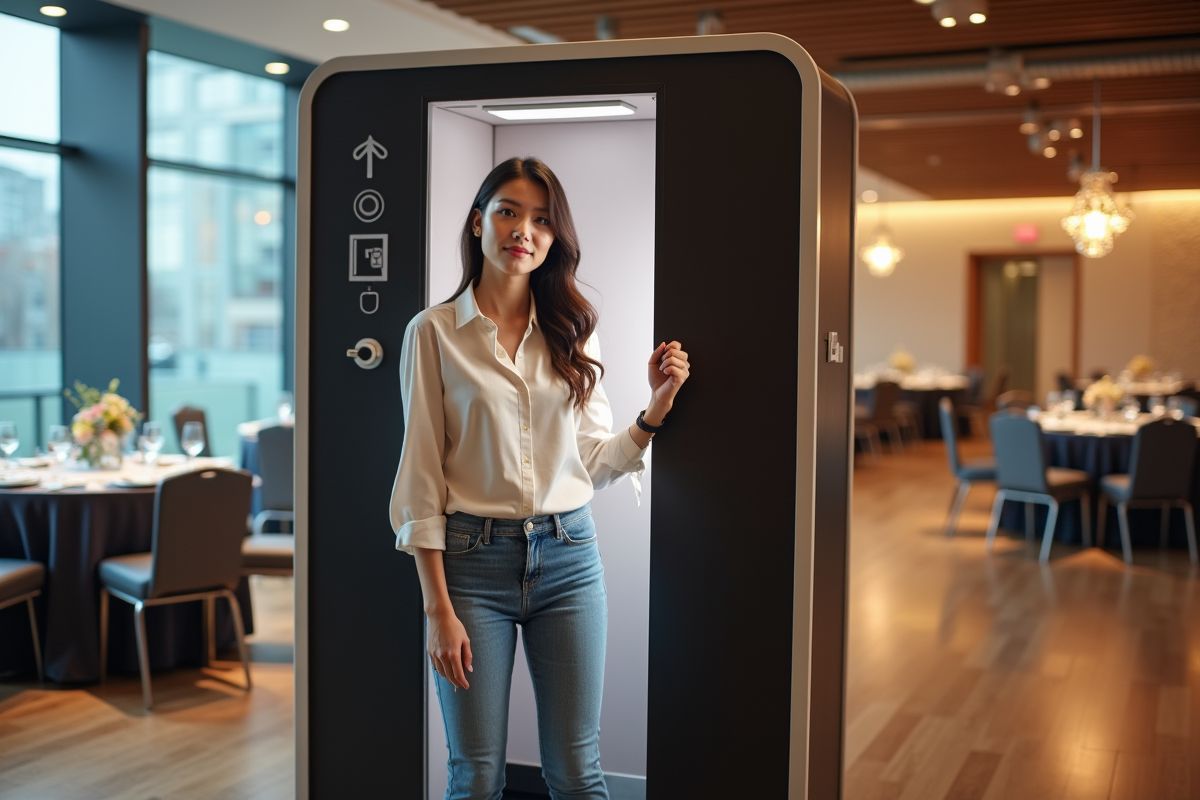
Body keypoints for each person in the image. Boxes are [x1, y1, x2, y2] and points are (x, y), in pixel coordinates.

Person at [389, 156, 690, 800]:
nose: (523, 230)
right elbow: (420, 478)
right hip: (470, 566)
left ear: (555, 239)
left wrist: (656, 406)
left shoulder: (573, 331)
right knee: (474, 775)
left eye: (541, 220)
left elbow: (595, 462)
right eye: (508, 212)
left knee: (578, 772)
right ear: (478, 223)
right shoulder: (433, 334)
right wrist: (436, 608)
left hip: (570, 557)